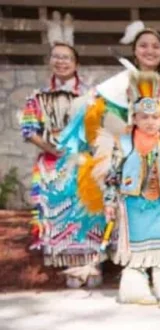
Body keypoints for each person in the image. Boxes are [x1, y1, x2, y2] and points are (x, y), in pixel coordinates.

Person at [58, 21, 160, 287]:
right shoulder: (118, 87)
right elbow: (110, 124)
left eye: (155, 46)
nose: (150, 50)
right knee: (103, 182)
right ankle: (128, 262)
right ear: (135, 51)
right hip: (131, 151)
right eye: (143, 46)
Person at [21, 12, 102, 288]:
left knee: (88, 210)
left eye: (66, 57)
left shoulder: (89, 95)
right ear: (50, 62)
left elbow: (98, 128)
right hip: (53, 164)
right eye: (56, 57)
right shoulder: (38, 96)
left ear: (76, 63)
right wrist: (51, 148)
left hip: (82, 161)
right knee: (58, 211)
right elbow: (29, 130)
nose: (61, 61)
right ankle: (67, 265)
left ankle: (91, 264)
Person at [103, 72, 160, 307]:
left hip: (159, 204)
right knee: (137, 253)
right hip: (133, 206)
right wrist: (109, 203)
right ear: (135, 119)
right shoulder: (124, 143)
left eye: (155, 117)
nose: (150, 122)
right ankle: (135, 290)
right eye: (144, 117)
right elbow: (112, 176)